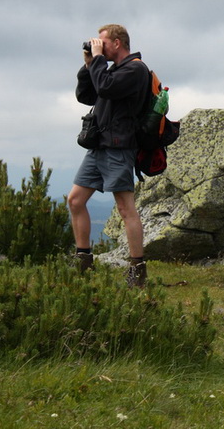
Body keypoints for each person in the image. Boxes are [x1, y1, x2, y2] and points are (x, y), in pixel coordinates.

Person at [67, 24, 151, 287]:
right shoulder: (110, 69)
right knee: (76, 200)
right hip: (99, 145)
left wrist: (99, 62)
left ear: (117, 43)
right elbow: (87, 94)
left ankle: (137, 270)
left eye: (102, 42)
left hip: (119, 146)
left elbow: (105, 88)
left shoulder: (136, 69)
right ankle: (83, 260)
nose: (98, 46)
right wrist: (88, 65)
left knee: (126, 208)